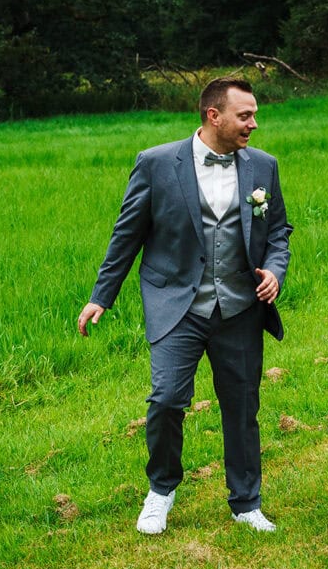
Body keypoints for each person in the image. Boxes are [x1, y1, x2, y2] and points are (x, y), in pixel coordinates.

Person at [78, 77, 292, 535]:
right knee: (167, 400)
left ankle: (246, 502)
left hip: (238, 308)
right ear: (213, 116)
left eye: (254, 115)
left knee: (241, 404)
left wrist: (275, 269)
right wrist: (102, 295)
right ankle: (161, 491)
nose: (254, 123)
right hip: (177, 304)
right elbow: (127, 234)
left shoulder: (263, 166)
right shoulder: (156, 164)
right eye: (245, 115)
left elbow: (278, 231)